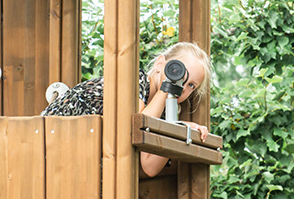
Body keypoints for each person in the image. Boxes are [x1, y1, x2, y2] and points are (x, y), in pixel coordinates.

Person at [41, 42, 211, 177]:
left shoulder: (164, 111)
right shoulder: (134, 80)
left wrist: (179, 129)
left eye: (191, 85)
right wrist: (166, 89)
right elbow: (136, 125)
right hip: (46, 140)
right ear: (160, 64)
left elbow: (150, 166)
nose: (181, 84)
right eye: (178, 71)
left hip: (78, 157)